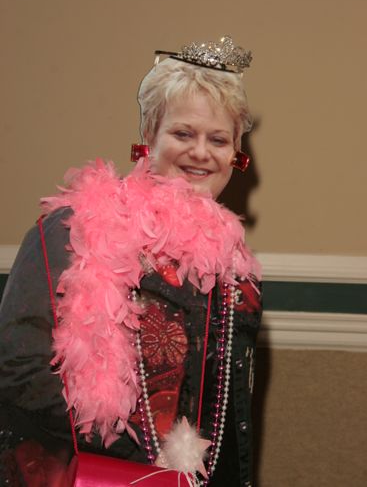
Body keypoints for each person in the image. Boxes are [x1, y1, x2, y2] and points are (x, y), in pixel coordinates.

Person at [0, 36, 262, 486]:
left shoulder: (238, 272)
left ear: (234, 155)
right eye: (182, 133)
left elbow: (230, 415)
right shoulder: (74, 229)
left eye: (218, 140)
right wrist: (140, 460)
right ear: (148, 138)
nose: (201, 152)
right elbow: (18, 366)